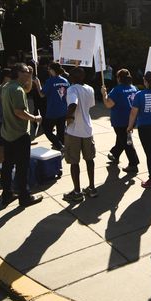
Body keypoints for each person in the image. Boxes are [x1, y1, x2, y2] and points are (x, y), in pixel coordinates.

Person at [0, 63, 43, 208]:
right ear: (18, 73)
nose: (28, 73)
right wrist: (35, 118)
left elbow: (28, 88)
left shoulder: (7, 86)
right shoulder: (17, 90)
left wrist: (29, 76)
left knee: (7, 165)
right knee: (22, 167)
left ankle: (7, 194)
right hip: (19, 134)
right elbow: (19, 112)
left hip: (7, 133)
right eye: (26, 71)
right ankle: (25, 196)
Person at [62, 67, 97, 202]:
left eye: (70, 75)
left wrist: (67, 117)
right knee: (89, 159)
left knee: (74, 162)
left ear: (74, 77)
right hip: (87, 130)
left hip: (74, 131)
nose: (69, 77)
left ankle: (77, 192)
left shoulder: (72, 89)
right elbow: (90, 106)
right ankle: (92, 188)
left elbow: (73, 104)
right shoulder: (90, 89)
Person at [128, 72, 151, 189]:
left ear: (145, 81)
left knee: (150, 153)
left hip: (145, 127)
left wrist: (130, 126)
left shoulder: (139, 95)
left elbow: (133, 112)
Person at [102, 68, 140, 172]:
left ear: (119, 78)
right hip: (131, 119)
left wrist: (104, 94)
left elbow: (108, 104)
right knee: (122, 139)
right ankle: (115, 154)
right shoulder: (134, 88)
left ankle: (134, 163)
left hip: (120, 120)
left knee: (126, 142)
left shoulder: (117, 90)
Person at [38, 62, 70, 151]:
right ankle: (62, 146)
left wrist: (37, 84)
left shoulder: (50, 81)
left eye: (49, 69)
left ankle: (59, 146)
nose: (48, 71)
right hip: (63, 110)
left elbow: (42, 94)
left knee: (47, 130)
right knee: (61, 131)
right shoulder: (65, 81)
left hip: (52, 110)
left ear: (52, 70)